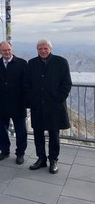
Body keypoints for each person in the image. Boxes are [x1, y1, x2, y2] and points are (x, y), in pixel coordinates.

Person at [25, 39, 72, 174]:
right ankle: (41, 159)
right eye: (40, 48)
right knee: (38, 133)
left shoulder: (61, 62)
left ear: (50, 49)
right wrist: (31, 99)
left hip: (54, 106)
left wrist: (59, 99)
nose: (43, 51)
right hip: (37, 105)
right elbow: (27, 83)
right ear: (37, 50)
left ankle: (53, 160)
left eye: (45, 48)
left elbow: (67, 84)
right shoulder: (32, 63)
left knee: (54, 134)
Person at [0, 41, 28, 165]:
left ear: (12, 50)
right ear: (0, 51)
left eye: (9, 50)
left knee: (21, 130)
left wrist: (26, 102)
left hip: (18, 103)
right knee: (2, 129)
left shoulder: (22, 63)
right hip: (1, 103)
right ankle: (4, 151)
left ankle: (20, 153)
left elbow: (26, 84)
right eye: (4, 50)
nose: (7, 52)